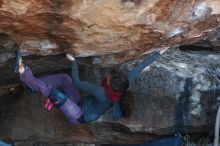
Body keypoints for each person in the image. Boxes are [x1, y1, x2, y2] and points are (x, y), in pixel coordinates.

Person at [15, 48, 168, 124]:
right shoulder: (122, 85)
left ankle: (23, 72)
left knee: (54, 93)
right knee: (64, 78)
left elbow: (78, 83)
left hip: (78, 116)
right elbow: (138, 69)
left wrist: (73, 61)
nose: (107, 75)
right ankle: (32, 86)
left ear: (110, 83)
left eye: (108, 77)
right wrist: (158, 54)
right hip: (80, 104)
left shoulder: (101, 92)